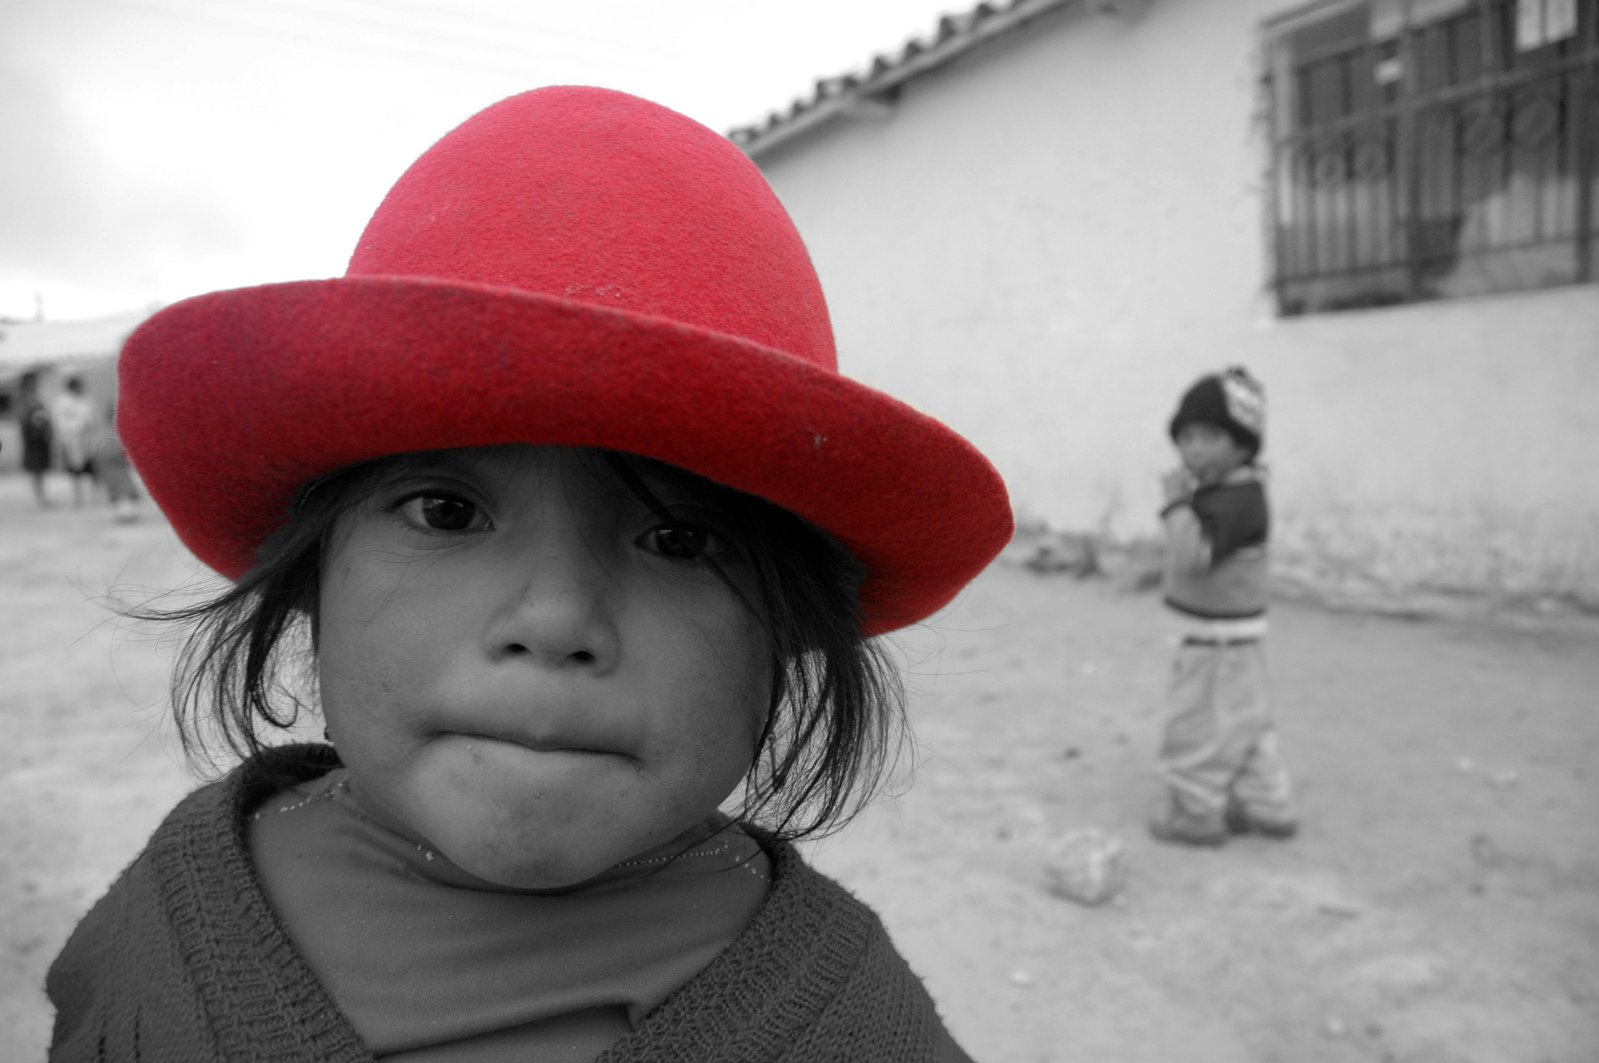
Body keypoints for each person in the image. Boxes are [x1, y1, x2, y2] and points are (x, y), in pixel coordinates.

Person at [46, 86, 1012, 1062]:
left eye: (682, 540)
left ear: (782, 634)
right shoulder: (154, 931)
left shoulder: (859, 1032)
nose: (553, 619)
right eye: (447, 511)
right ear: (313, 577)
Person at [1148, 366, 1297, 846]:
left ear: (1244, 444)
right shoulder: (1232, 493)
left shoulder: (1235, 500)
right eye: (1186, 436)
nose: (1194, 449)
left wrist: (1175, 507)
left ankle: (1198, 813)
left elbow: (1192, 558)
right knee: (1247, 727)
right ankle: (1268, 805)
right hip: (1236, 643)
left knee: (1198, 729)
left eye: (1210, 436)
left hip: (1215, 647)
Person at [50, 375, 97, 506]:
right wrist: (77, 427)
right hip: (72, 440)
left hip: (87, 439)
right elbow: (60, 422)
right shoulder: (62, 402)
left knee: (91, 469)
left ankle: (93, 494)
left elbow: (92, 416)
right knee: (75, 470)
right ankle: (78, 496)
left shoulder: (86, 398)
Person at [94, 400, 140, 522]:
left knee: (117, 487)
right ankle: (126, 513)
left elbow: (99, 450)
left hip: (110, 459)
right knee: (122, 486)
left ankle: (125, 513)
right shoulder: (118, 430)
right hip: (115, 458)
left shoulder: (105, 431)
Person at [18, 370, 54, 507]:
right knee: (35, 468)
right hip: (32, 439)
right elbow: (23, 418)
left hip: (40, 439)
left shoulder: (36, 397)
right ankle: (38, 497)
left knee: (41, 468)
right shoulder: (23, 398)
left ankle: (42, 495)